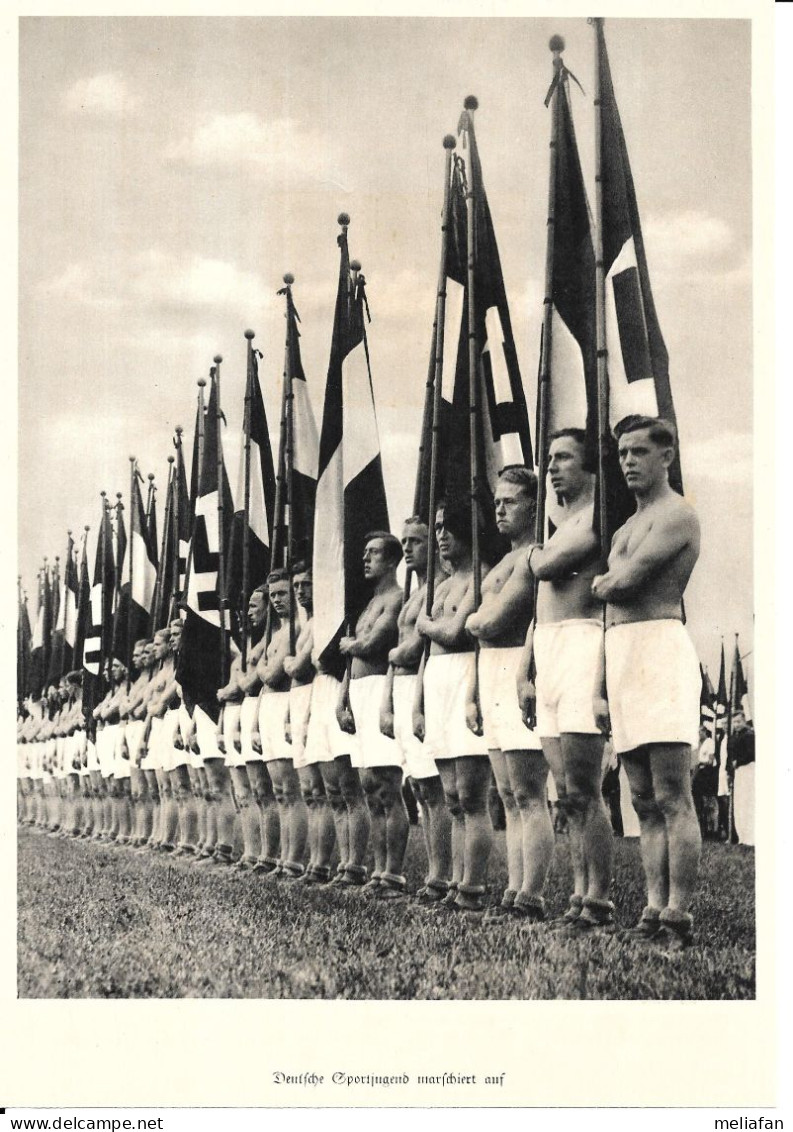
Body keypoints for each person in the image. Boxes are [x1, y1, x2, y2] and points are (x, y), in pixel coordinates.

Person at [592, 415, 701, 951]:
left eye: (638, 451)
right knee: (640, 797)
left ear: (667, 456)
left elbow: (626, 582)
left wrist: (607, 580)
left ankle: (677, 913)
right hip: (621, 654)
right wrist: (599, 685)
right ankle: (654, 905)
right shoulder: (623, 529)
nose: (628, 461)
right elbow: (610, 607)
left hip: (660, 648)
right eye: (622, 454)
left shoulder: (678, 515)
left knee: (672, 793)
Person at [519, 430, 614, 934]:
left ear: (590, 466)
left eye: (563, 458)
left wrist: (533, 554)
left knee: (584, 786)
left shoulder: (597, 519)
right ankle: (578, 896)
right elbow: (539, 606)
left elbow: (545, 567)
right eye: (548, 459)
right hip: (550, 648)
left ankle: (598, 900)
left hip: (581, 644)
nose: (552, 468)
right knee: (566, 793)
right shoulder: (558, 525)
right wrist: (525, 670)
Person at [467, 467, 553, 924]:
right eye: (497, 501)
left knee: (528, 791)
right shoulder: (504, 559)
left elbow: (490, 621)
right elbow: (478, 624)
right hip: (489, 668)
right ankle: (514, 888)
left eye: (511, 502)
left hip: (517, 661)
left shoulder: (532, 557)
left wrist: (476, 620)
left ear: (534, 506)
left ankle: (530, 893)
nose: (500, 509)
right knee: (507, 793)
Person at [415, 498, 491, 915]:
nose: (441, 535)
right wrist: (419, 704)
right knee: (450, 795)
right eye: (438, 527)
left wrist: (426, 626)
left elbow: (452, 631)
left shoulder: (478, 578)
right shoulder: (441, 585)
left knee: (471, 794)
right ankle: (457, 882)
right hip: (438, 681)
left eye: (449, 526)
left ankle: (473, 886)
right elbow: (430, 645)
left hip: (464, 673)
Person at [381, 519, 452, 904]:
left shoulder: (439, 589)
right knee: (420, 789)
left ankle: (442, 875)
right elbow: (400, 650)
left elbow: (409, 650)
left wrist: (395, 655)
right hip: (405, 685)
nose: (408, 548)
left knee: (433, 787)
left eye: (417, 541)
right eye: (404, 541)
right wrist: (387, 699)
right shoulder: (415, 593)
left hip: (423, 684)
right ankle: (434, 872)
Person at [340, 533, 407, 898]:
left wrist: (351, 645)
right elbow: (353, 657)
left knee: (387, 785)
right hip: (360, 692)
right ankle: (379, 871)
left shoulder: (396, 599)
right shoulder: (369, 603)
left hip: (382, 687)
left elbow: (369, 645)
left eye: (375, 553)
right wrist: (343, 697)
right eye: (364, 553)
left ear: (393, 560)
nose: (366, 559)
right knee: (368, 786)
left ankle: (393, 872)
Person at [284, 565, 337, 885]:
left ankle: (322, 863)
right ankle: (313, 861)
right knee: (309, 790)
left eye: (307, 584)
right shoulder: (303, 624)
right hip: (301, 699)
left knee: (321, 788)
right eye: (297, 587)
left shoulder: (321, 622)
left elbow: (296, 666)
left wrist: (293, 660)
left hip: (314, 693)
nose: (301, 592)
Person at [256, 570, 308, 878]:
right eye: (273, 595)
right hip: (269, 707)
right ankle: (281, 857)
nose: (277, 600)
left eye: (282, 594)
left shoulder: (297, 629)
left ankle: (293, 860)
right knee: (279, 791)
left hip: (287, 703)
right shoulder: (276, 634)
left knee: (291, 789)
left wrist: (263, 666)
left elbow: (271, 675)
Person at [728, 711, 755, 846]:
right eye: (734, 722)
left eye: (739, 721)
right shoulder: (734, 736)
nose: (736, 724)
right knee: (740, 802)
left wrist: (738, 762)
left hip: (748, 770)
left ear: (744, 721)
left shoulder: (749, 735)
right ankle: (742, 836)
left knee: (748, 801)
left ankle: (750, 836)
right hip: (739, 771)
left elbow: (751, 755)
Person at [692, 724, 717, 839]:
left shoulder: (709, 742)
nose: (698, 735)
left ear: (704, 732)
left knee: (708, 802)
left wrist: (701, 763)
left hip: (707, 773)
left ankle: (712, 830)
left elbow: (711, 760)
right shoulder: (698, 744)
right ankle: (702, 831)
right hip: (699, 773)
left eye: (700, 732)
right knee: (698, 802)